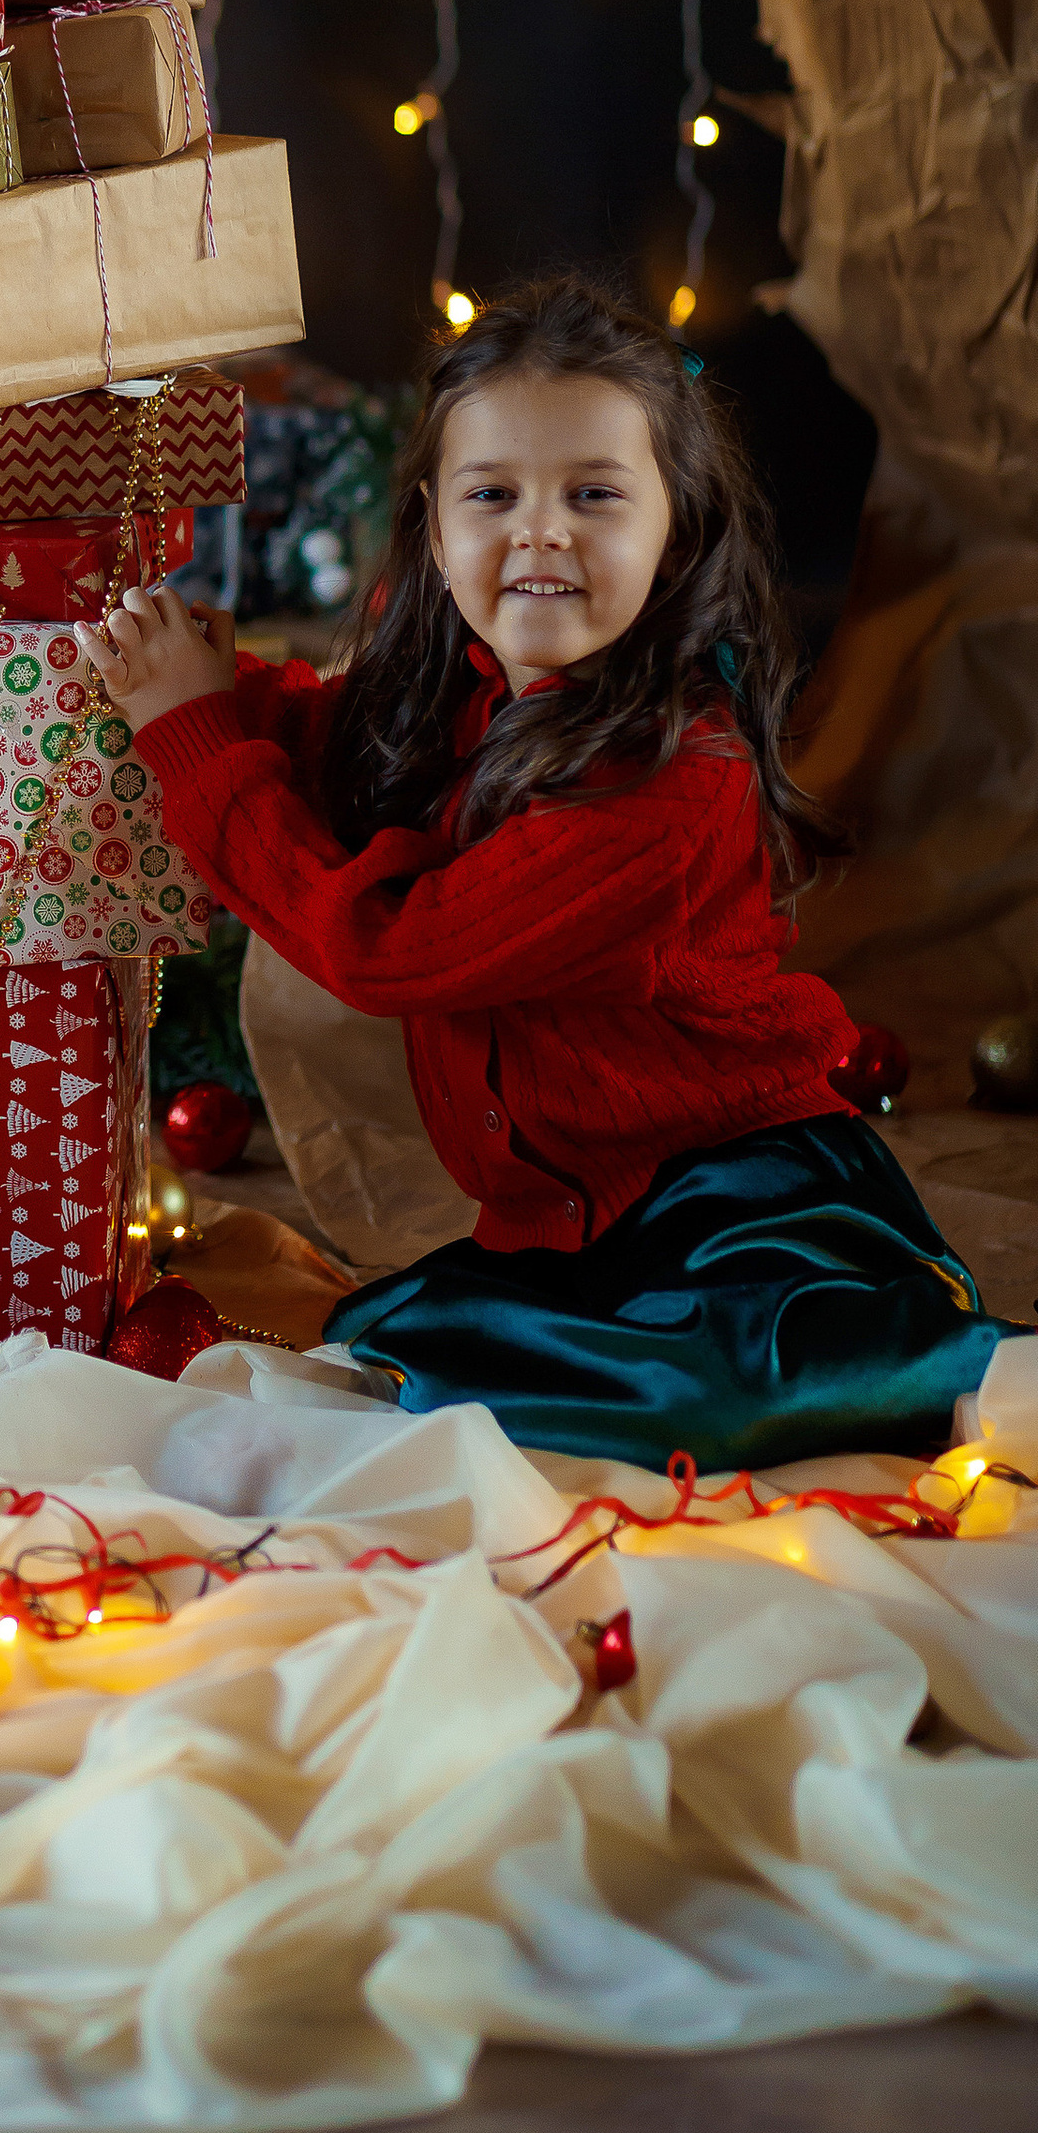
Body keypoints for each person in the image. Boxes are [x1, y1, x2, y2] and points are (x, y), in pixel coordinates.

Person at [75, 275, 1017, 1469]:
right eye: (492, 495)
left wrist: (193, 736)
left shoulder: (672, 783)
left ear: (674, 525)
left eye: (593, 494)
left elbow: (390, 949)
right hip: (565, 1232)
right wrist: (218, 692)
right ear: (432, 523)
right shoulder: (462, 701)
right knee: (417, 1354)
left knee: (704, 1400)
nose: (540, 531)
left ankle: (971, 1366)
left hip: (745, 1213)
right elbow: (327, 747)